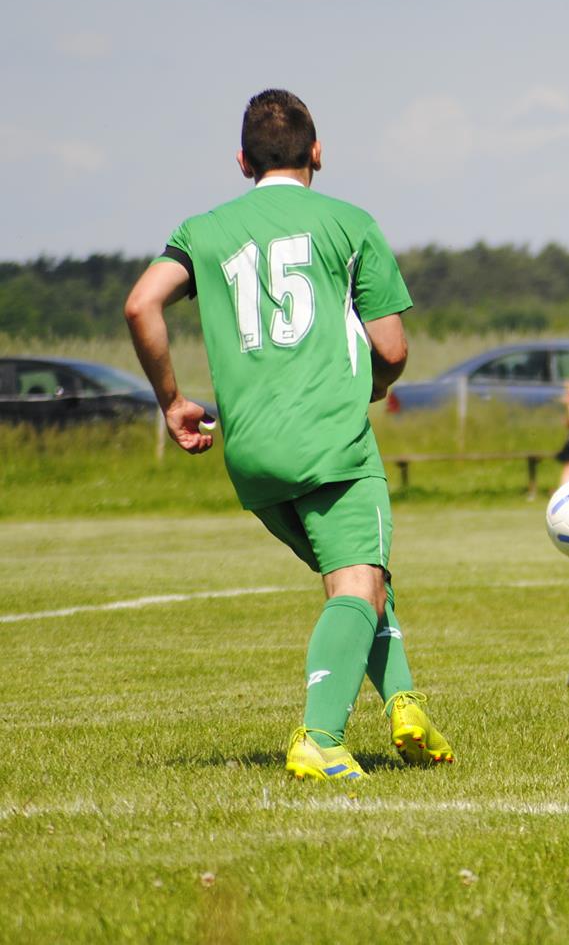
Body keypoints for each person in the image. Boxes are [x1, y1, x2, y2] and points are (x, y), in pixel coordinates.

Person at [123, 89, 452, 780]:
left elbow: (141, 303)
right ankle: (320, 735)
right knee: (359, 583)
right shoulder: (350, 224)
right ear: (318, 151)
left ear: (242, 159)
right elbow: (392, 350)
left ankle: (404, 701)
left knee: (356, 583)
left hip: (250, 455)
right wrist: (370, 388)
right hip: (332, 443)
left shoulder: (203, 229)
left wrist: (173, 400)